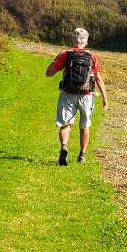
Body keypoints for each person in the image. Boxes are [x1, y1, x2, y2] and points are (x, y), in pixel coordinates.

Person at [43, 28, 109, 165]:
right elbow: (98, 79)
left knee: (65, 124)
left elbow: (49, 73)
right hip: (86, 95)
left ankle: (64, 147)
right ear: (86, 42)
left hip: (67, 94)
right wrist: (104, 98)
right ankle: (82, 155)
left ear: (72, 40)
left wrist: (55, 60)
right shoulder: (92, 57)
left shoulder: (65, 54)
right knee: (85, 126)